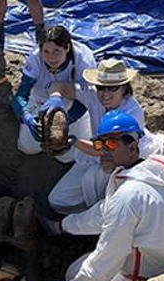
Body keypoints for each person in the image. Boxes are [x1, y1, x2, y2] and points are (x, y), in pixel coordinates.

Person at [37, 110, 164, 281]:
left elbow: (111, 251)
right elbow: (103, 214)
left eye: (111, 144)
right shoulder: (155, 177)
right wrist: (62, 226)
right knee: (75, 270)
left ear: (133, 146)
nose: (103, 151)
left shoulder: (129, 193)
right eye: (100, 145)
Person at [46, 58, 148, 213]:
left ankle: (97, 217)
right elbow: (58, 86)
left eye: (113, 88)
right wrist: (55, 99)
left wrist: (71, 140)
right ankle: (90, 214)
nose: (105, 93)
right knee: (57, 200)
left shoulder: (130, 113)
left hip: (122, 160)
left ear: (124, 88)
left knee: (106, 186)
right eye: (101, 87)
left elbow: (108, 151)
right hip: (97, 153)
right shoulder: (94, 96)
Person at [14, 25, 98, 155]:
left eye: (56, 51)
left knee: (67, 155)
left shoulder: (83, 59)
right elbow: (21, 95)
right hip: (40, 103)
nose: (51, 57)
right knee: (27, 147)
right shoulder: (35, 57)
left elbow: (88, 98)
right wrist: (27, 117)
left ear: (67, 47)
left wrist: (65, 121)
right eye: (46, 51)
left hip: (71, 104)